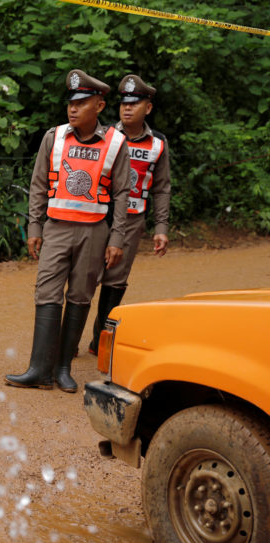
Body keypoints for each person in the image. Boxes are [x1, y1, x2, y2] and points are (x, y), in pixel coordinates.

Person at [5, 69, 131, 393]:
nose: (73, 109)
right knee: (46, 292)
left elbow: (122, 195)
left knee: (79, 296)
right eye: (70, 103)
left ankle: (62, 369)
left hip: (94, 233)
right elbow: (37, 185)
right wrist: (34, 226)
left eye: (82, 102)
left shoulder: (116, 144)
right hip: (56, 229)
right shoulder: (54, 137)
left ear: (99, 106)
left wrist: (117, 239)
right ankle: (38, 369)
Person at [87, 74, 171, 354]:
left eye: (135, 103)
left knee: (115, 280)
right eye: (124, 102)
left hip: (134, 220)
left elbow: (161, 188)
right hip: (100, 216)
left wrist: (161, 227)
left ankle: (101, 339)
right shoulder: (105, 137)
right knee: (85, 276)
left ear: (147, 108)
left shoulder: (158, 144)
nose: (127, 108)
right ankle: (68, 341)